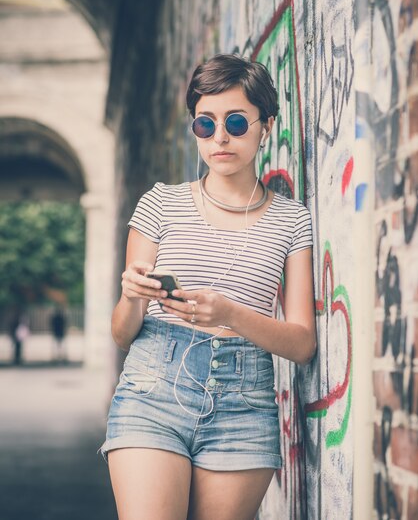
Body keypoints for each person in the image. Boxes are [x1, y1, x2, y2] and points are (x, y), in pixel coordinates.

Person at [98, 54, 316, 520]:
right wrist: (134, 298)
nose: (220, 137)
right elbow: (121, 333)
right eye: (205, 124)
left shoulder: (292, 220)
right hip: (152, 388)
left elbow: (301, 344)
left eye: (236, 122)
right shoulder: (160, 204)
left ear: (266, 125)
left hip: (244, 403)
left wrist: (231, 315)